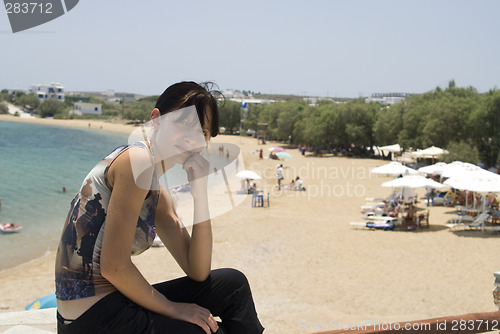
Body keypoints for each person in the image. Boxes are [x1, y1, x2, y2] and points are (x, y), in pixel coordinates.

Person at [55, 81, 264, 334]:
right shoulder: (137, 160)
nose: (192, 137)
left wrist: (200, 195)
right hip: (91, 319)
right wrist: (174, 308)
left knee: (234, 285)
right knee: (206, 331)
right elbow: (113, 266)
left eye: (203, 131)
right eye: (183, 123)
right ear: (156, 120)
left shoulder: (158, 193)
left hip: (115, 302)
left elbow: (197, 271)